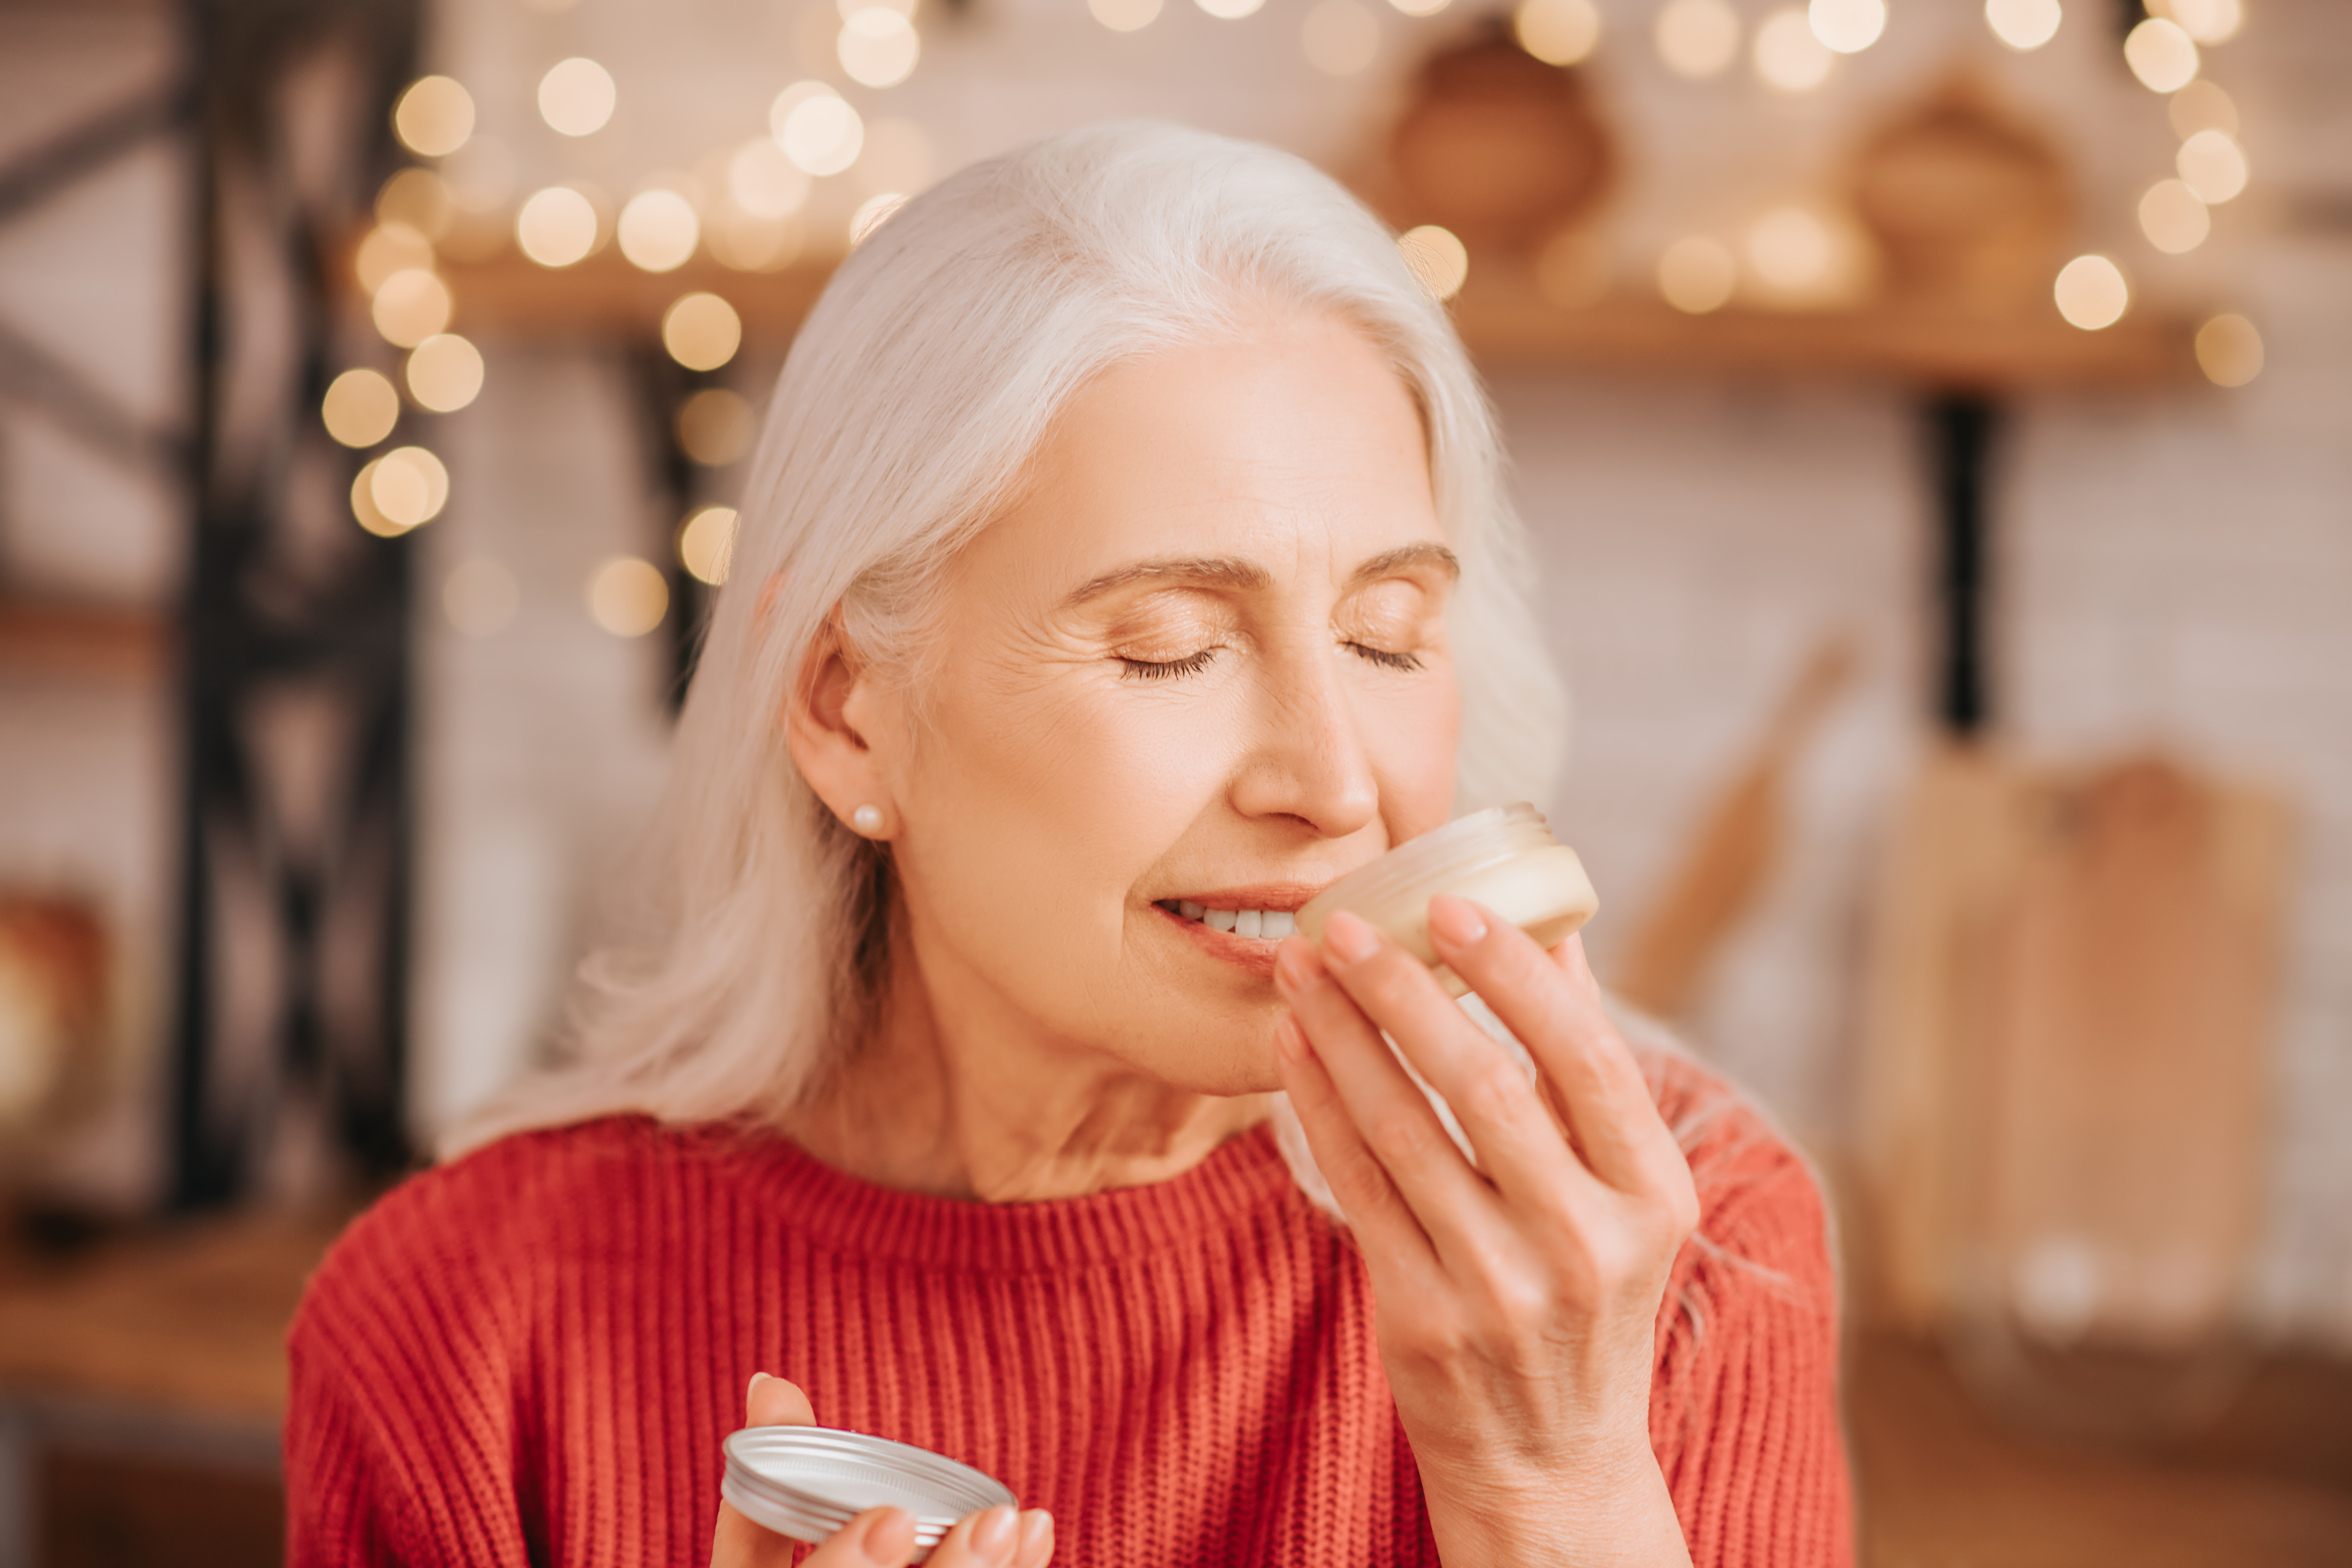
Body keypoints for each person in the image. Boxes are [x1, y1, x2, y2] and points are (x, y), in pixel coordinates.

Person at [285, 122, 1849, 1568]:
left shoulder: (1671, 1253)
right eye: (1169, 646)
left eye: (1388, 634)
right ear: (847, 712)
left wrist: (1554, 1485)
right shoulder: (468, 1335)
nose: (1333, 782)